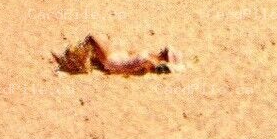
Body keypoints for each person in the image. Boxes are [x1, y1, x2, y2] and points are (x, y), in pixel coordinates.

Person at [53, 35, 181, 76]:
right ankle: (68, 60)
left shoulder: (152, 62)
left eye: (166, 51)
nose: (164, 49)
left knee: (91, 38)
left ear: (166, 57)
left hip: (112, 61)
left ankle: (69, 61)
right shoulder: (152, 56)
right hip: (114, 58)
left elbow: (135, 70)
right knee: (96, 43)